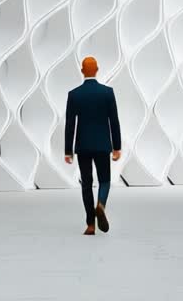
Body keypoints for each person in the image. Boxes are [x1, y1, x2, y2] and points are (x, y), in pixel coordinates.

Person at [64, 56, 122, 236]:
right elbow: (114, 121)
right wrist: (116, 147)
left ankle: (90, 225)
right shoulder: (107, 93)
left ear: (82, 71)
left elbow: (70, 124)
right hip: (103, 145)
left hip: (83, 146)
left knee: (86, 184)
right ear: (97, 70)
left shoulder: (74, 94)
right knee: (104, 180)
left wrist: (68, 150)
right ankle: (101, 205)